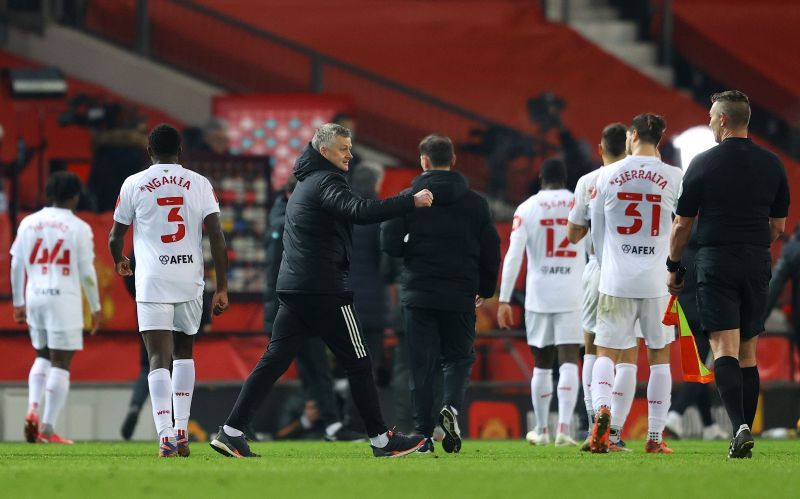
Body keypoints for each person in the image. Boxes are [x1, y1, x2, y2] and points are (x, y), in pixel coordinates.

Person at [210, 123, 433, 459]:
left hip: (296, 287)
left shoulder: (305, 182)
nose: (350, 154)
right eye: (344, 148)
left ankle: (230, 431)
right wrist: (408, 201)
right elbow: (360, 211)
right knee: (359, 362)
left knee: (273, 361)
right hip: (324, 288)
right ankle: (381, 440)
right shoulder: (326, 181)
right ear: (325, 151)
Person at [667, 90, 790, 459]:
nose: (707, 120)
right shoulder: (773, 164)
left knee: (723, 348)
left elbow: (682, 225)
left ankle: (737, 426)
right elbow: (779, 226)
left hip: (716, 262)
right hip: (756, 262)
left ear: (723, 119)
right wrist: (753, 244)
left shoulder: (703, 164)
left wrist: (674, 267)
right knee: (748, 351)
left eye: (710, 115)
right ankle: (746, 430)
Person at [108, 124, 230, 457]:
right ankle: (182, 431)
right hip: (189, 279)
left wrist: (119, 260)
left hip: (152, 280)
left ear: (149, 151)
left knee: (157, 358)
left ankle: (164, 435)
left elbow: (114, 237)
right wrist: (222, 286)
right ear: (181, 151)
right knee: (184, 354)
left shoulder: (134, 183)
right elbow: (217, 237)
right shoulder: (199, 183)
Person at [382, 134, 500, 454]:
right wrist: (485, 288)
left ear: (423, 161)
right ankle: (450, 407)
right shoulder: (476, 203)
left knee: (422, 364)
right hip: (460, 292)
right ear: (453, 161)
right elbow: (491, 249)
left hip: (419, 291)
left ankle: (422, 435)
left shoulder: (409, 198)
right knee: (459, 358)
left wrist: (413, 250)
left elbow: (390, 243)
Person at [588, 113, 683, 454]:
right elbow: (681, 227)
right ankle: (655, 438)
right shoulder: (674, 176)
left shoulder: (608, 174)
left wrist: (605, 263)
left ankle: (602, 409)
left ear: (631, 135)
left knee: (607, 352)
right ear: (661, 137)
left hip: (616, 280)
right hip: (657, 281)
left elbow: (596, 227)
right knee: (659, 359)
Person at [264, 174, 362, 441]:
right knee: (276, 367)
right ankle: (239, 423)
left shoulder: (284, 221)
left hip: (302, 303)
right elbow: (277, 270)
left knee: (314, 368)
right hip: (288, 305)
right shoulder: (283, 225)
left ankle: (330, 424)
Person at [498, 158, 584, 447]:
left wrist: (505, 297)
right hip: (574, 292)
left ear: (540, 177)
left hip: (539, 294)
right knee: (570, 359)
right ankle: (564, 429)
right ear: (565, 178)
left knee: (542, 364)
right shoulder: (579, 202)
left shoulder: (527, 208)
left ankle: (543, 430)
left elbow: (513, 255)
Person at [11, 171, 102, 444]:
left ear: (48, 194)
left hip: (35, 294)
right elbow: (86, 272)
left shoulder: (28, 223)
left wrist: (18, 302)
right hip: (64, 296)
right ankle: (47, 429)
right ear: (75, 196)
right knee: (61, 362)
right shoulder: (79, 227)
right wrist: (95, 307)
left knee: (42, 355)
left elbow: (16, 264)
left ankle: (32, 409)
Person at [567, 123, 640, 451]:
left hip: (597, 270)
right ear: (629, 145)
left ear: (600, 148)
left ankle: (593, 420)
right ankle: (615, 432)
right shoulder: (640, 178)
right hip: (634, 271)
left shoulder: (588, 181)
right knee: (626, 353)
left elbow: (573, 235)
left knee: (593, 348)